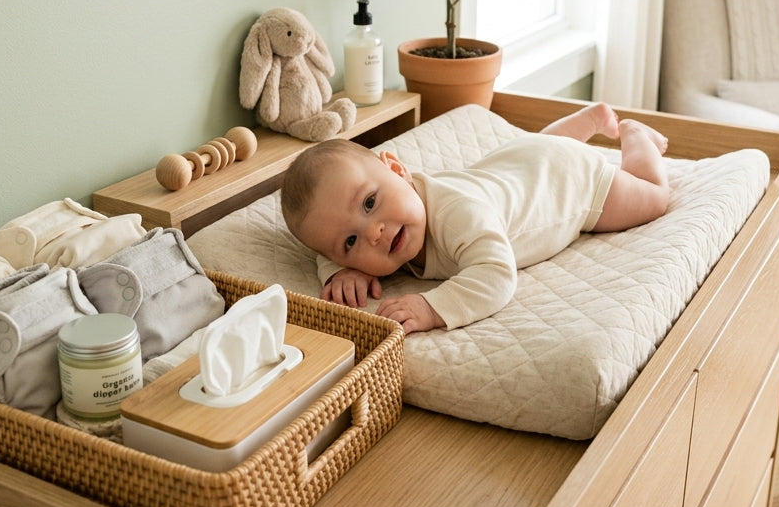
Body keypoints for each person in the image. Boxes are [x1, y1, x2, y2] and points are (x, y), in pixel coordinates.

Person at [280, 102, 670, 334]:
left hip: (571, 180)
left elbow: (497, 274)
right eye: (351, 242)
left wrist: (433, 308)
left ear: (398, 170)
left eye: (369, 203)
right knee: (542, 150)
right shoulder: (386, 214)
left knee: (653, 197)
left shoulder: (458, 214)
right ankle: (585, 122)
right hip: (525, 156)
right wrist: (337, 271)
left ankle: (636, 136)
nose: (374, 233)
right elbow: (325, 237)